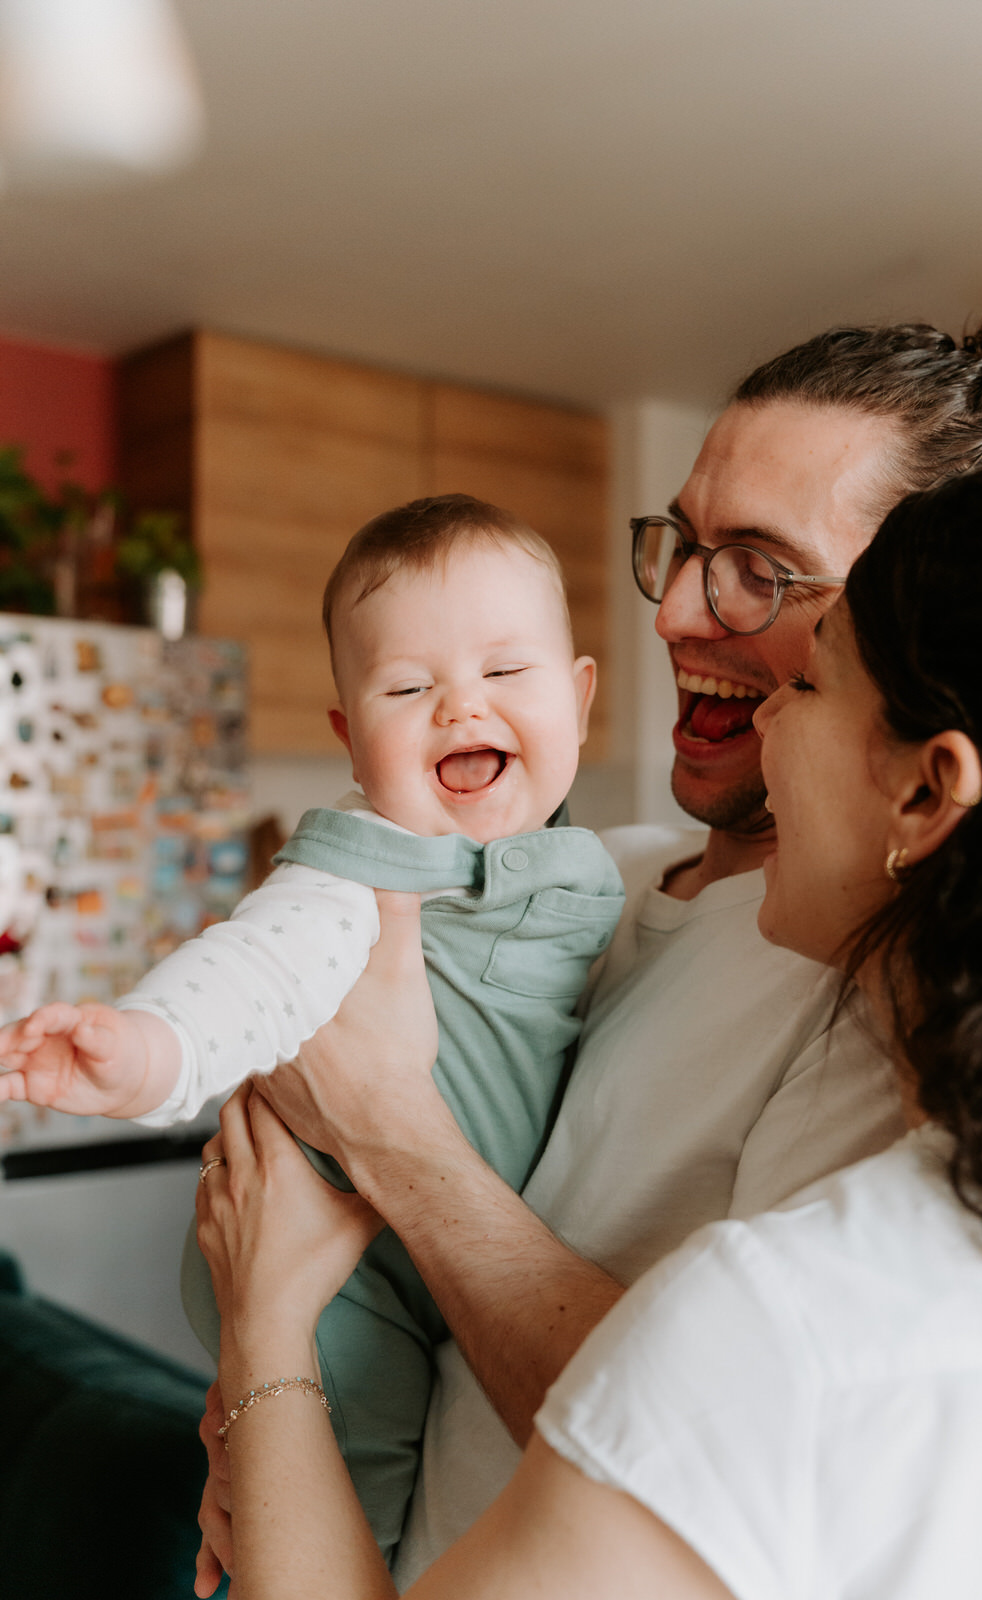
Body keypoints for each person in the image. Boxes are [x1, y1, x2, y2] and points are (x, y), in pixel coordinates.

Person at [190, 309, 982, 1590]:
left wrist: (384, 1137)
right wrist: (268, 1417)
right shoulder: (585, 876)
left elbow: (721, 1433)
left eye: (761, 569)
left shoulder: (892, 1014)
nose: (673, 611)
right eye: (682, 545)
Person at [0, 493, 624, 1560]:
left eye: (505, 673)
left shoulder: (606, 873)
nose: (459, 705)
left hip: (473, 1262)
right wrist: (142, 1051)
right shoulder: (360, 872)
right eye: (408, 685)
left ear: (578, 697)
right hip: (347, 1258)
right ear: (348, 733)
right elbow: (247, 970)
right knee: (357, 1486)